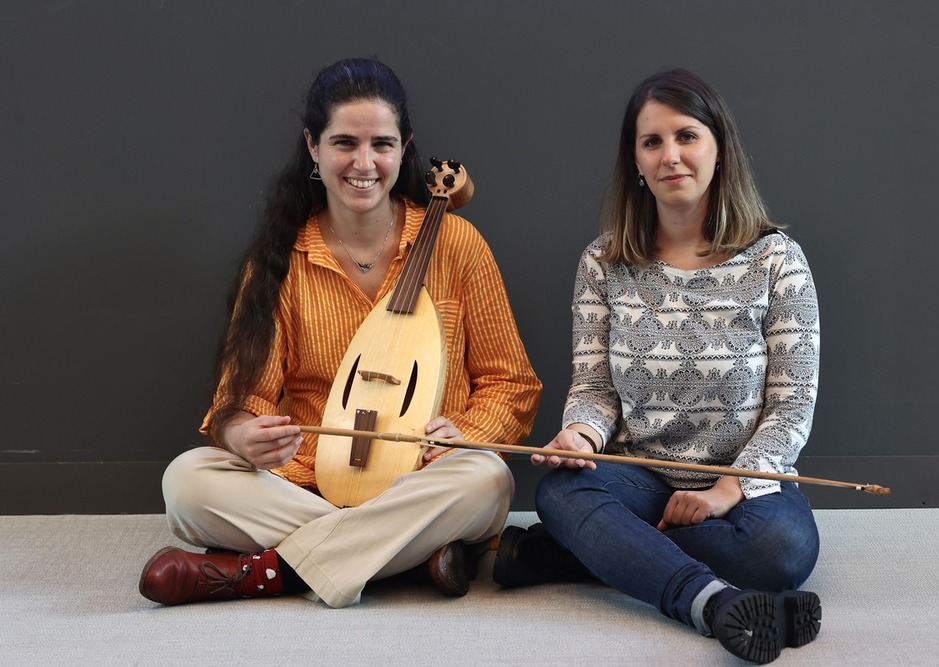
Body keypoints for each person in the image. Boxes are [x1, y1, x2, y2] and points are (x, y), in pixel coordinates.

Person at [139, 58, 541, 608]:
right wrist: (240, 435)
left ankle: (271, 572)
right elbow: (241, 400)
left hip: (424, 473)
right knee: (187, 482)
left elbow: (511, 384)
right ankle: (404, 554)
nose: (364, 162)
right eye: (344, 142)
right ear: (313, 146)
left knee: (488, 479)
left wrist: (465, 431)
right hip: (308, 476)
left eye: (382, 143)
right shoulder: (281, 258)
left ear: (405, 148)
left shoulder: (456, 243)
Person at [492, 68, 821, 664]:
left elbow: (791, 406)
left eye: (687, 136)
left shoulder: (778, 260)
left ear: (719, 149)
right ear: (636, 163)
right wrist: (583, 432)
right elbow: (593, 387)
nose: (671, 155)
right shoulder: (604, 261)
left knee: (781, 552)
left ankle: (573, 552)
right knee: (562, 490)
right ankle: (713, 603)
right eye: (652, 142)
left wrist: (728, 490)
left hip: (743, 486)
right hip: (639, 477)